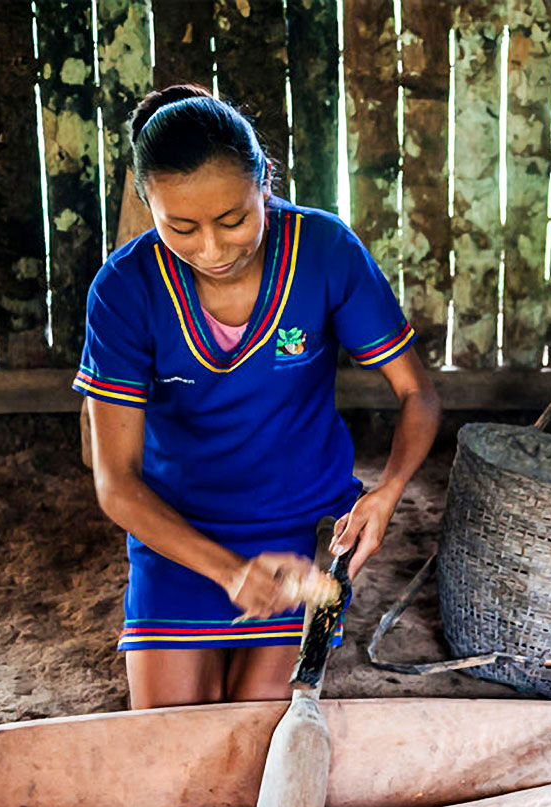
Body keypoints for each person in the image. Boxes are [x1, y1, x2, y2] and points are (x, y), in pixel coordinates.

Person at [74, 84, 441, 710]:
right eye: (180, 227)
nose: (212, 250)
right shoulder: (125, 288)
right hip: (175, 531)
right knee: (174, 738)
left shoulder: (324, 252)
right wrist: (226, 572)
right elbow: (115, 483)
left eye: (234, 219)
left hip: (298, 530)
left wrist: (386, 493)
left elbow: (417, 394)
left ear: (264, 181)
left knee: (258, 731)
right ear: (147, 205)